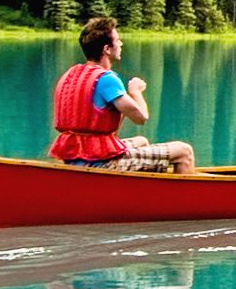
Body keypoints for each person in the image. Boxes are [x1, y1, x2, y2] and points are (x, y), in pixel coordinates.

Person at [50, 16, 198, 174]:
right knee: (184, 152)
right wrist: (135, 92)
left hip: (75, 157)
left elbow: (106, 130)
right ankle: (183, 197)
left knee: (141, 141)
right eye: (118, 40)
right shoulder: (106, 79)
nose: (121, 44)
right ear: (107, 49)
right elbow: (141, 117)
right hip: (99, 162)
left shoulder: (70, 75)